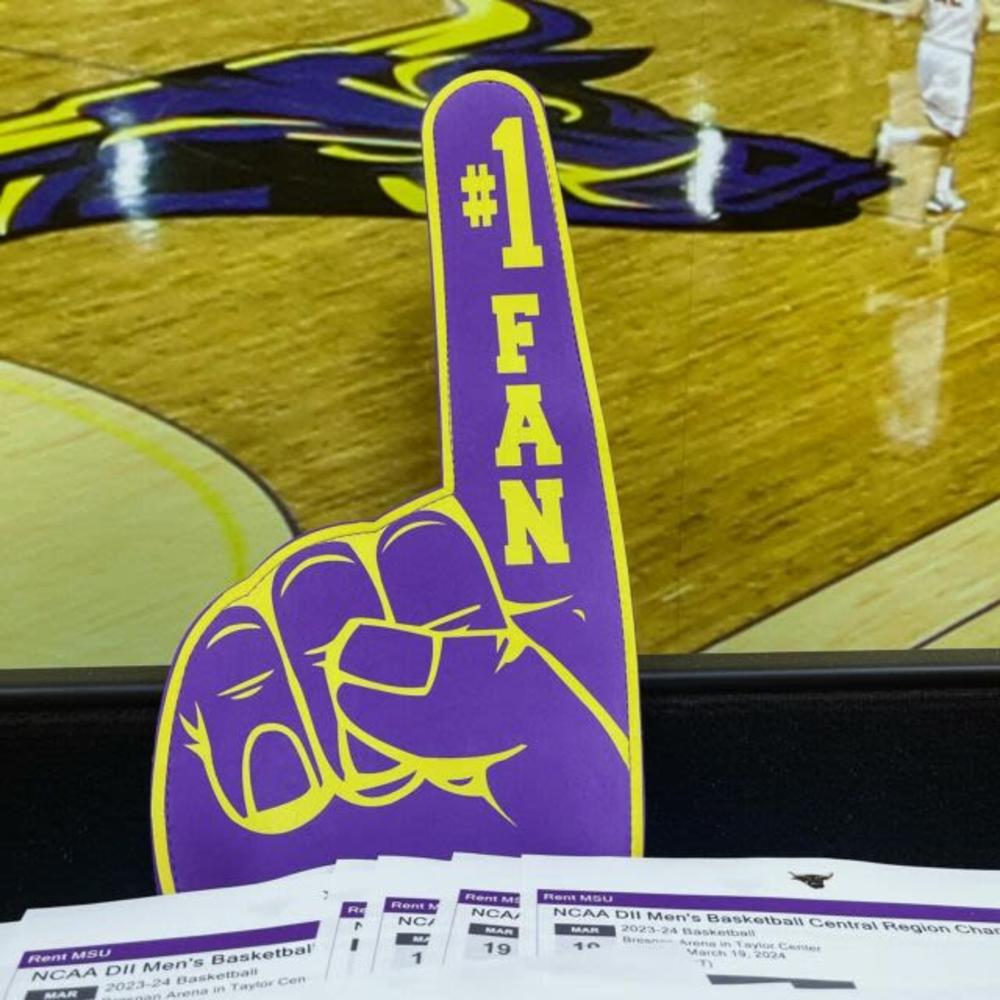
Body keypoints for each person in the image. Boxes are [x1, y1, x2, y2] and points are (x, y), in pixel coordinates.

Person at [875, 0, 989, 213]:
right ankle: (895, 136)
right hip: (955, 57)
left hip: (929, 51)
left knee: (944, 125)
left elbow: (912, 12)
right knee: (951, 130)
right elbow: (984, 19)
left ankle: (941, 191)